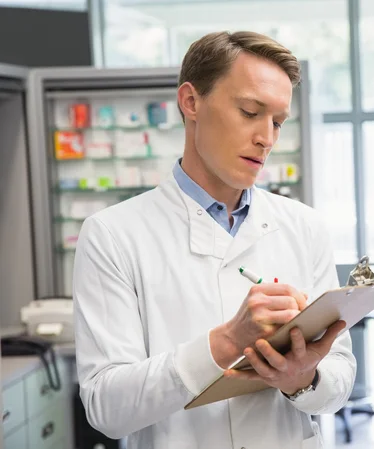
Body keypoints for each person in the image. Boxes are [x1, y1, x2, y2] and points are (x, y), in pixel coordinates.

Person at [73, 30, 356, 449]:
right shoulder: (112, 235)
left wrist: (303, 377)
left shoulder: (304, 226)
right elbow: (106, 409)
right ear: (191, 102)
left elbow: (340, 378)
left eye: (277, 121)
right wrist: (225, 344)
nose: (267, 138)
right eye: (249, 112)